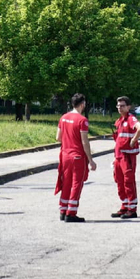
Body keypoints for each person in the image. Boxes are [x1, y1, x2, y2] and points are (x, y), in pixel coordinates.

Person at [55, 93, 97, 222]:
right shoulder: (82, 120)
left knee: (66, 183)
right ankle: (71, 213)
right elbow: (85, 142)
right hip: (77, 157)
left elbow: (58, 138)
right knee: (76, 185)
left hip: (65, 155)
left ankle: (63, 210)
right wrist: (91, 160)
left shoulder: (63, 117)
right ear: (82, 104)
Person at [111, 96, 140, 219]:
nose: (120, 108)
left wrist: (133, 140)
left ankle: (132, 209)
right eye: (118, 105)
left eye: (122, 105)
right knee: (120, 182)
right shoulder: (119, 121)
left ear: (129, 107)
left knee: (128, 182)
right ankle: (124, 206)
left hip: (127, 157)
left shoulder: (130, 119)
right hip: (119, 157)